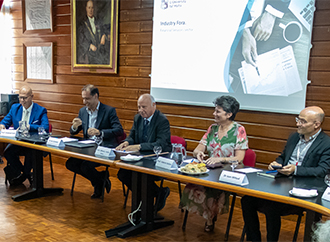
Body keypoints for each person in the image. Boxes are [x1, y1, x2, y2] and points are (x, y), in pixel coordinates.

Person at [241, 106, 330, 242]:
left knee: (272, 206)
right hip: (283, 184)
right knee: (247, 200)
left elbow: (322, 170)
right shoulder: (294, 137)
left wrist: (296, 170)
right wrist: (277, 163)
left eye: (302, 121)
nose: (298, 124)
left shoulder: (326, 143)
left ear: (316, 124)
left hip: (306, 190)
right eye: (298, 119)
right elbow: (283, 157)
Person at [179, 96, 248, 232]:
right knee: (191, 186)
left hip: (227, 172)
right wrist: (198, 152)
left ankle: (210, 219)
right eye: (215, 110)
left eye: (218, 111)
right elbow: (199, 147)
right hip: (210, 170)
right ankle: (209, 217)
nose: (214, 114)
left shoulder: (239, 130)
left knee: (210, 190)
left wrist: (220, 159)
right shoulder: (212, 128)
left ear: (229, 114)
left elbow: (239, 158)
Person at [65, 84, 124, 199]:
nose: (84, 102)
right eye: (83, 98)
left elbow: (119, 130)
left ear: (95, 96)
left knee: (86, 166)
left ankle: (98, 183)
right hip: (87, 147)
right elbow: (74, 131)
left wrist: (100, 132)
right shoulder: (83, 111)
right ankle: (100, 179)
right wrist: (74, 127)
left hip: (104, 147)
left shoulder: (109, 111)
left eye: (87, 99)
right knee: (70, 163)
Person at [116, 94, 172, 211]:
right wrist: (127, 142)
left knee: (143, 176)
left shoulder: (162, 120)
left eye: (144, 107)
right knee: (123, 174)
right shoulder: (138, 118)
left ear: (153, 105)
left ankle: (149, 200)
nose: (141, 110)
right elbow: (132, 136)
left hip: (158, 157)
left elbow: (160, 144)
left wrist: (139, 146)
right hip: (140, 157)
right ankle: (154, 194)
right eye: (139, 107)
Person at [0, 85, 49, 186]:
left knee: (31, 153)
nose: (22, 100)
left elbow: (45, 127)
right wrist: (2, 125)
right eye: (20, 97)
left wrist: (30, 127)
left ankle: (23, 176)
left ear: (32, 97)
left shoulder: (40, 110)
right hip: (19, 142)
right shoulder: (15, 108)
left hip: (33, 143)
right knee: (8, 152)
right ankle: (25, 174)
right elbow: (6, 121)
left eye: (25, 98)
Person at [77, 0, 109, 64]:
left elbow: (104, 30)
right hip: (88, 55)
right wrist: (89, 45)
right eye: (89, 8)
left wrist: (104, 35)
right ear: (86, 9)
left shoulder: (99, 21)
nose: (90, 10)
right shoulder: (82, 23)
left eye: (92, 8)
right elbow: (80, 39)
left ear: (94, 9)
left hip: (99, 54)